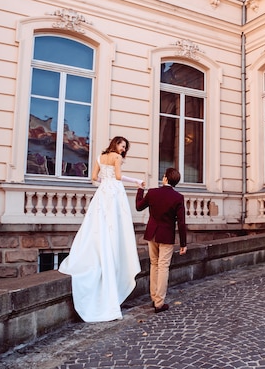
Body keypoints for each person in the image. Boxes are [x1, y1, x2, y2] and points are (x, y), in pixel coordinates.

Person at [59, 136, 143, 322]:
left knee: (99, 225)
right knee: (116, 226)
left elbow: (94, 178)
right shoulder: (117, 158)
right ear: (116, 144)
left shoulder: (99, 157)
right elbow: (119, 177)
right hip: (114, 192)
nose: (123, 149)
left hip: (103, 192)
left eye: (124, 147)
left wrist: (105, 183)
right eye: (122, 146)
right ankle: (113, 259)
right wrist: (136, 180)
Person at [136, 167, 187, 313]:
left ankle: (154, 298)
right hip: (166, 236)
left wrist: (140, 190)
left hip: (152, 234)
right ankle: (159, 302)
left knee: (154, 265)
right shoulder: (178, 197)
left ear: (165, 178)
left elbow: (139, 207)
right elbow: (181, 222)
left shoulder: (152, 192)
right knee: (163, 266)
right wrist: (183, 243)